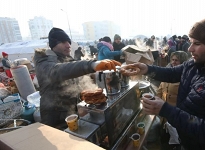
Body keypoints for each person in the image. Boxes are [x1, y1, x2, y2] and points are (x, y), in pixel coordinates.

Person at [121, 18, 205, 150]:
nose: (190, 49)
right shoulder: (193, 64)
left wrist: (166, 109)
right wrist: (147, 69)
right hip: (186, 139)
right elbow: (172, 73)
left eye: (197, 43)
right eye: (190, 42)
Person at [34, 27, 121, 128]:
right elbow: (56, 71)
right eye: (63, 42)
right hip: (56, 120)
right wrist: (92, 65)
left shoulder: (67, 59)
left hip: (73, 114)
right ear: (53, 45)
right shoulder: (43, 61)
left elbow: (77, 77)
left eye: (68, 42)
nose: (68, 45)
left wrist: (98, 74)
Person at [156, 51, 188, 149]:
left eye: (176, 60)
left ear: (182, 62)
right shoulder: (168, 73)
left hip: (176, 113)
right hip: (164, 112)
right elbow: (160, 89)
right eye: (172, 60)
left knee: (176, 138)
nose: (173, 62)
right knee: (165, 135)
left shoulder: (185, 77)